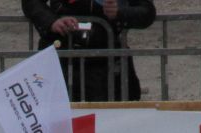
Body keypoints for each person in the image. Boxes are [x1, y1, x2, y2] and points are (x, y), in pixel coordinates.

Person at [21, 0, 156, 101]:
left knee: (110, 126)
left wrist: (120, 12)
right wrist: (52, 22)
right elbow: (31, 2)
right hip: (61, 60)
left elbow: (147, 12)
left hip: (105, 65)